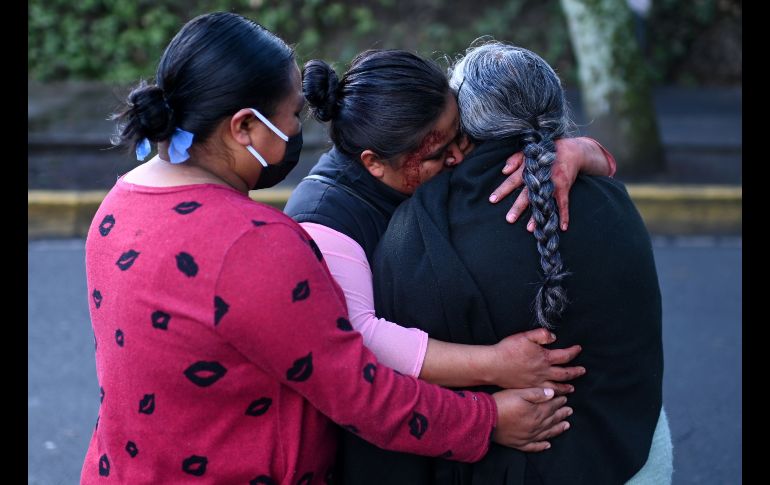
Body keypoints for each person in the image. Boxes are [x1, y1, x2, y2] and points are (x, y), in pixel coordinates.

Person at [80, 14, 573, 484]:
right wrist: (486, 422)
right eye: (292, 114)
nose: (300, 128)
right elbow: (361, 393)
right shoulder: (255, 243)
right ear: (244, 127)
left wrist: (570, 150)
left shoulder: (118, 204)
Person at [367, 41, 673, 484]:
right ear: (555, 112)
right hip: (636, 459)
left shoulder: (419, 229)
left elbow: (387, 383)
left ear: (462, 123)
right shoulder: (613, 201)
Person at [285, 49, 617, 395]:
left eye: (460, 135)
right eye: (438, 154)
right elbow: (361, 338)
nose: (458, 157)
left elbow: (597, 165)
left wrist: (576, 150)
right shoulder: (323, 223)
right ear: (374, 163)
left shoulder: (408, 162)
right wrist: (495, 366)